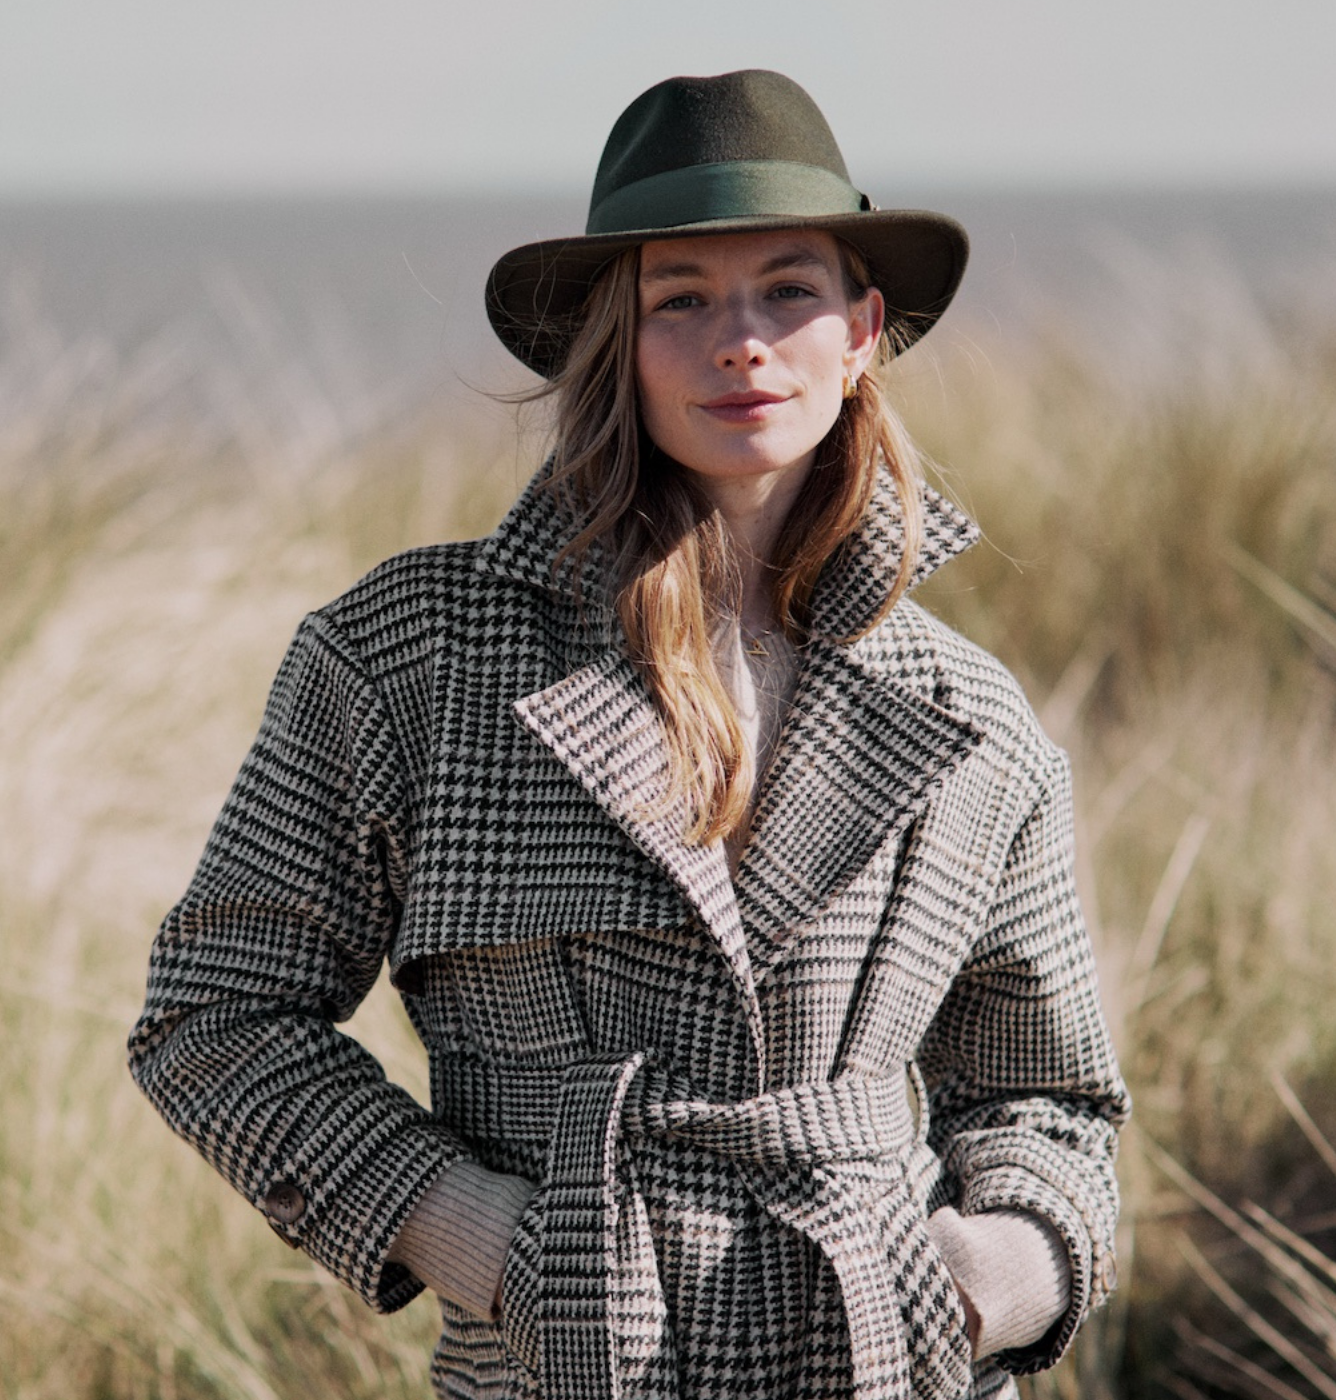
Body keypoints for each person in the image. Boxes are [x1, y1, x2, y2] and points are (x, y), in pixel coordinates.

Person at [129, 69, 1129, 1400]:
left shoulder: (968, 715)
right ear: (619, 337)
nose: (741, 342)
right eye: (682, 300)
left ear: (863, 331)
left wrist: (984, 1279)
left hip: (885, 1362)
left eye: (789, 289)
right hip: (569, 1357)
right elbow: (216, 1015)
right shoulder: (409, 655)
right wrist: (487, 1243)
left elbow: (1046, 1102)